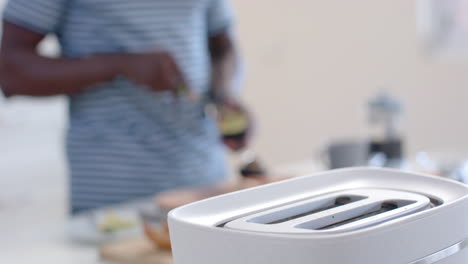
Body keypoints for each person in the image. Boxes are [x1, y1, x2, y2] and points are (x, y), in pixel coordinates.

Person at [0, 0, 247, 214]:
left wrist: (224, 95)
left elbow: (223, 46)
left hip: (204, 184)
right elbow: (10, 72)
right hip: (113, 196)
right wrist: (118, 66)